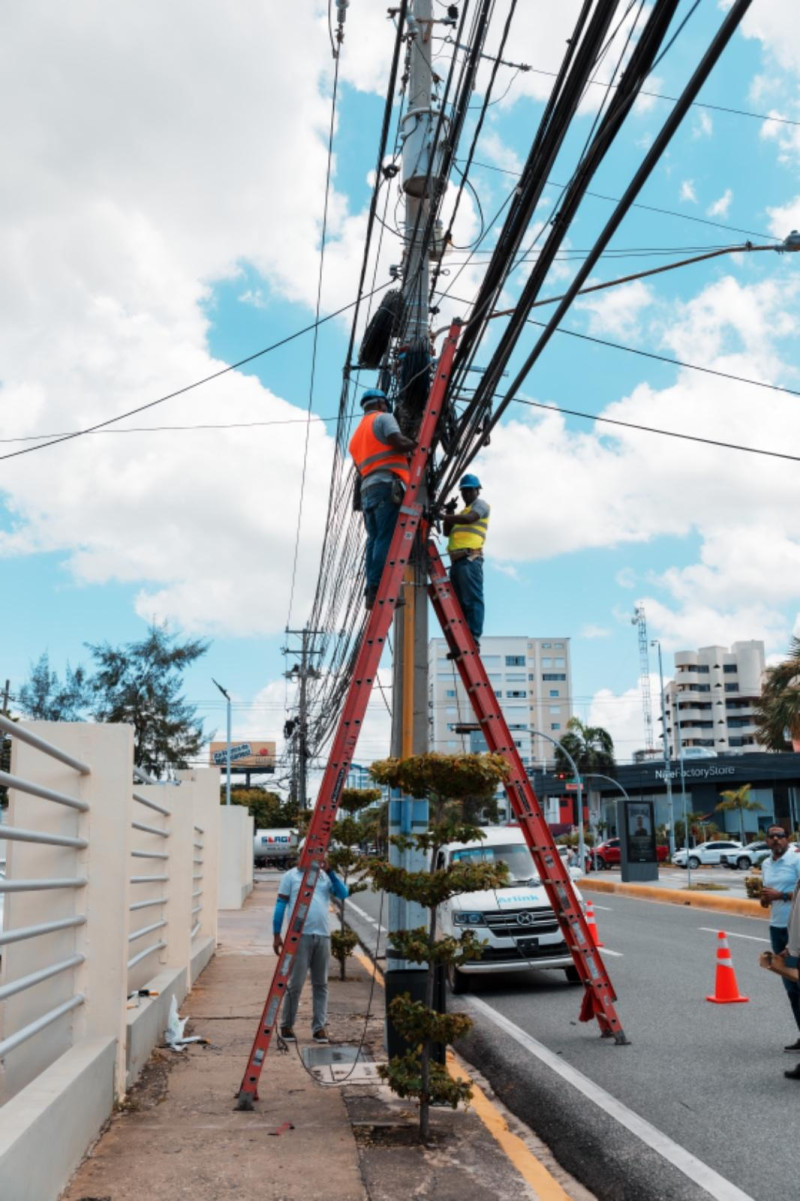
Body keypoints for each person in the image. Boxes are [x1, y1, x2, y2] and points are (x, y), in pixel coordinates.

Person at [349, 389, 416, 609]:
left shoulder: (356, 437)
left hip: (367, 491)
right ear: (381, 404)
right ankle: (379, 588)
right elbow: (398, 442)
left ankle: (372, 590)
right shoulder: (384, 418)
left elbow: (361, 469)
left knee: (374, 540)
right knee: (385, 539)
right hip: (385, 486)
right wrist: (416, 445)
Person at [273, 856, 348, 1044]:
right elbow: (281, 905)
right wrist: (276, 934)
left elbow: (343, 893)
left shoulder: (324, 876)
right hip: (299, 937)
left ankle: (319, 1028)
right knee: (295, 984)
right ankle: (287, 1025)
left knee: (321, 984)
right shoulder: (291, 876)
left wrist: (330, 871)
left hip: (322, 936)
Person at [759, 823, 800, 1051]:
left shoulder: (796, 859)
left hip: (796, 931)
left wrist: (781, 895)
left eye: (781, 836)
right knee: (790, 985)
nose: (776, 839)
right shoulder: (766, 863)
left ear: (788, 838)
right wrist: (766, 899)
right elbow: (768, 896)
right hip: (777, 929)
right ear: (767, 840)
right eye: (772, 836)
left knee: (799, 982)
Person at [442, 473, 490, 646]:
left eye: (470, 490)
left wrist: (444, 516)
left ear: (478, 490)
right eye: (464, 491)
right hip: (457, 562)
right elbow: (446, 532)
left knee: (472, 600)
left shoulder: (481, 505)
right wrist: (449, 511)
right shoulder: (461, 513)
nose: (466, 494)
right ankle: (462, 639)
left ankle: (473, 638)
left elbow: (470, 519)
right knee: (459, 604)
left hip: (470, 559)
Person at [759, 878, 800, 1079]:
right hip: (794, 950)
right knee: (794, 990)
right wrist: (790, 948)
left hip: (797, 952)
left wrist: (794, 950)